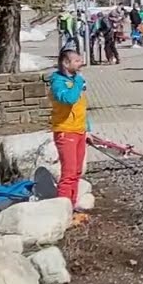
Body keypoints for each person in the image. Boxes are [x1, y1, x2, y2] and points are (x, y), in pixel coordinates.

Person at [49, 49, 88, 211]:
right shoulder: (58, 82)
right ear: (66, 63)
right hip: (66, 131)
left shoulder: (74, 81)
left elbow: (81, 107)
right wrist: (78, 83)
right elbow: (69, 99)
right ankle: (62, 210)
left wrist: (88, 129)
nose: (81, 64)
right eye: (77, 61)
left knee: (77, 172)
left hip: (79, 130)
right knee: (69, 173)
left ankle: (71, 206)